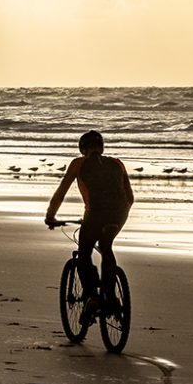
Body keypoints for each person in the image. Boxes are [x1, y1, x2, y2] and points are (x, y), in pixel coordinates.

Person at [45, 131, 134, 322]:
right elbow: (130, 198)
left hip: (95, 214)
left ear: (82, 149)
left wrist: (50, 216)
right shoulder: (118, 163)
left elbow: (61, 193)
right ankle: (110, 297)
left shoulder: (78, 164)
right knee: (106, 246)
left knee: (84, 251)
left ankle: (92, 296)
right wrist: (117, 216)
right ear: (101, 148)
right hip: (119, 214)